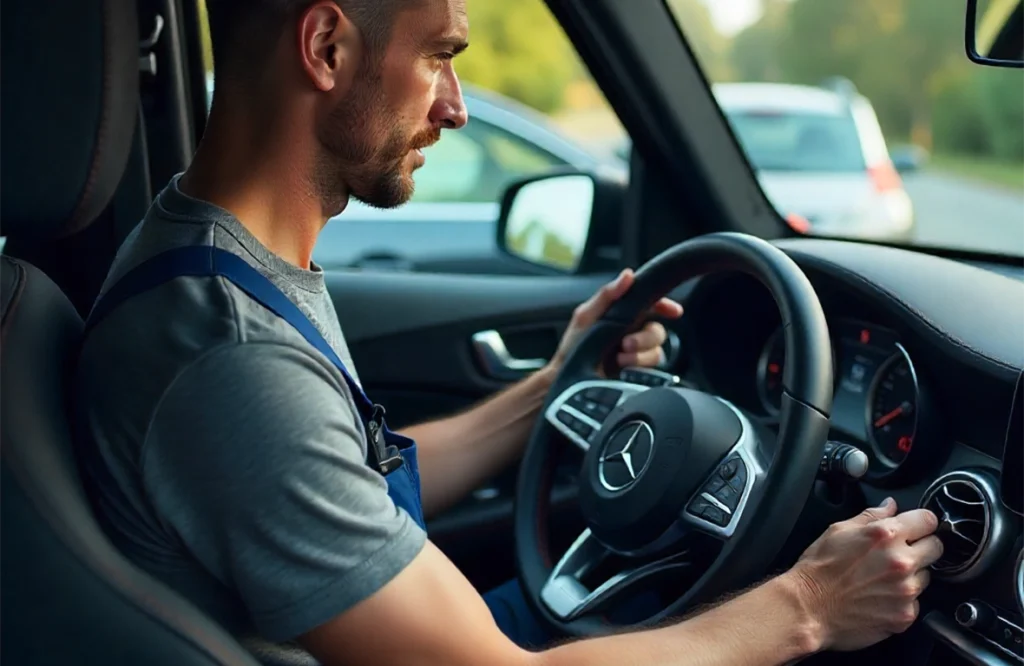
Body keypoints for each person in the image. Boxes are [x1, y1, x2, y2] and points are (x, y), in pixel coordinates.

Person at [72, 0, 943, 664]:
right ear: (327, 48)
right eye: (439, 57)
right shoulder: (235, 358)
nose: (455, 107)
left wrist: (556, 385)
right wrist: (810, 605)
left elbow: (346, 470)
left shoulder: (205, 255)